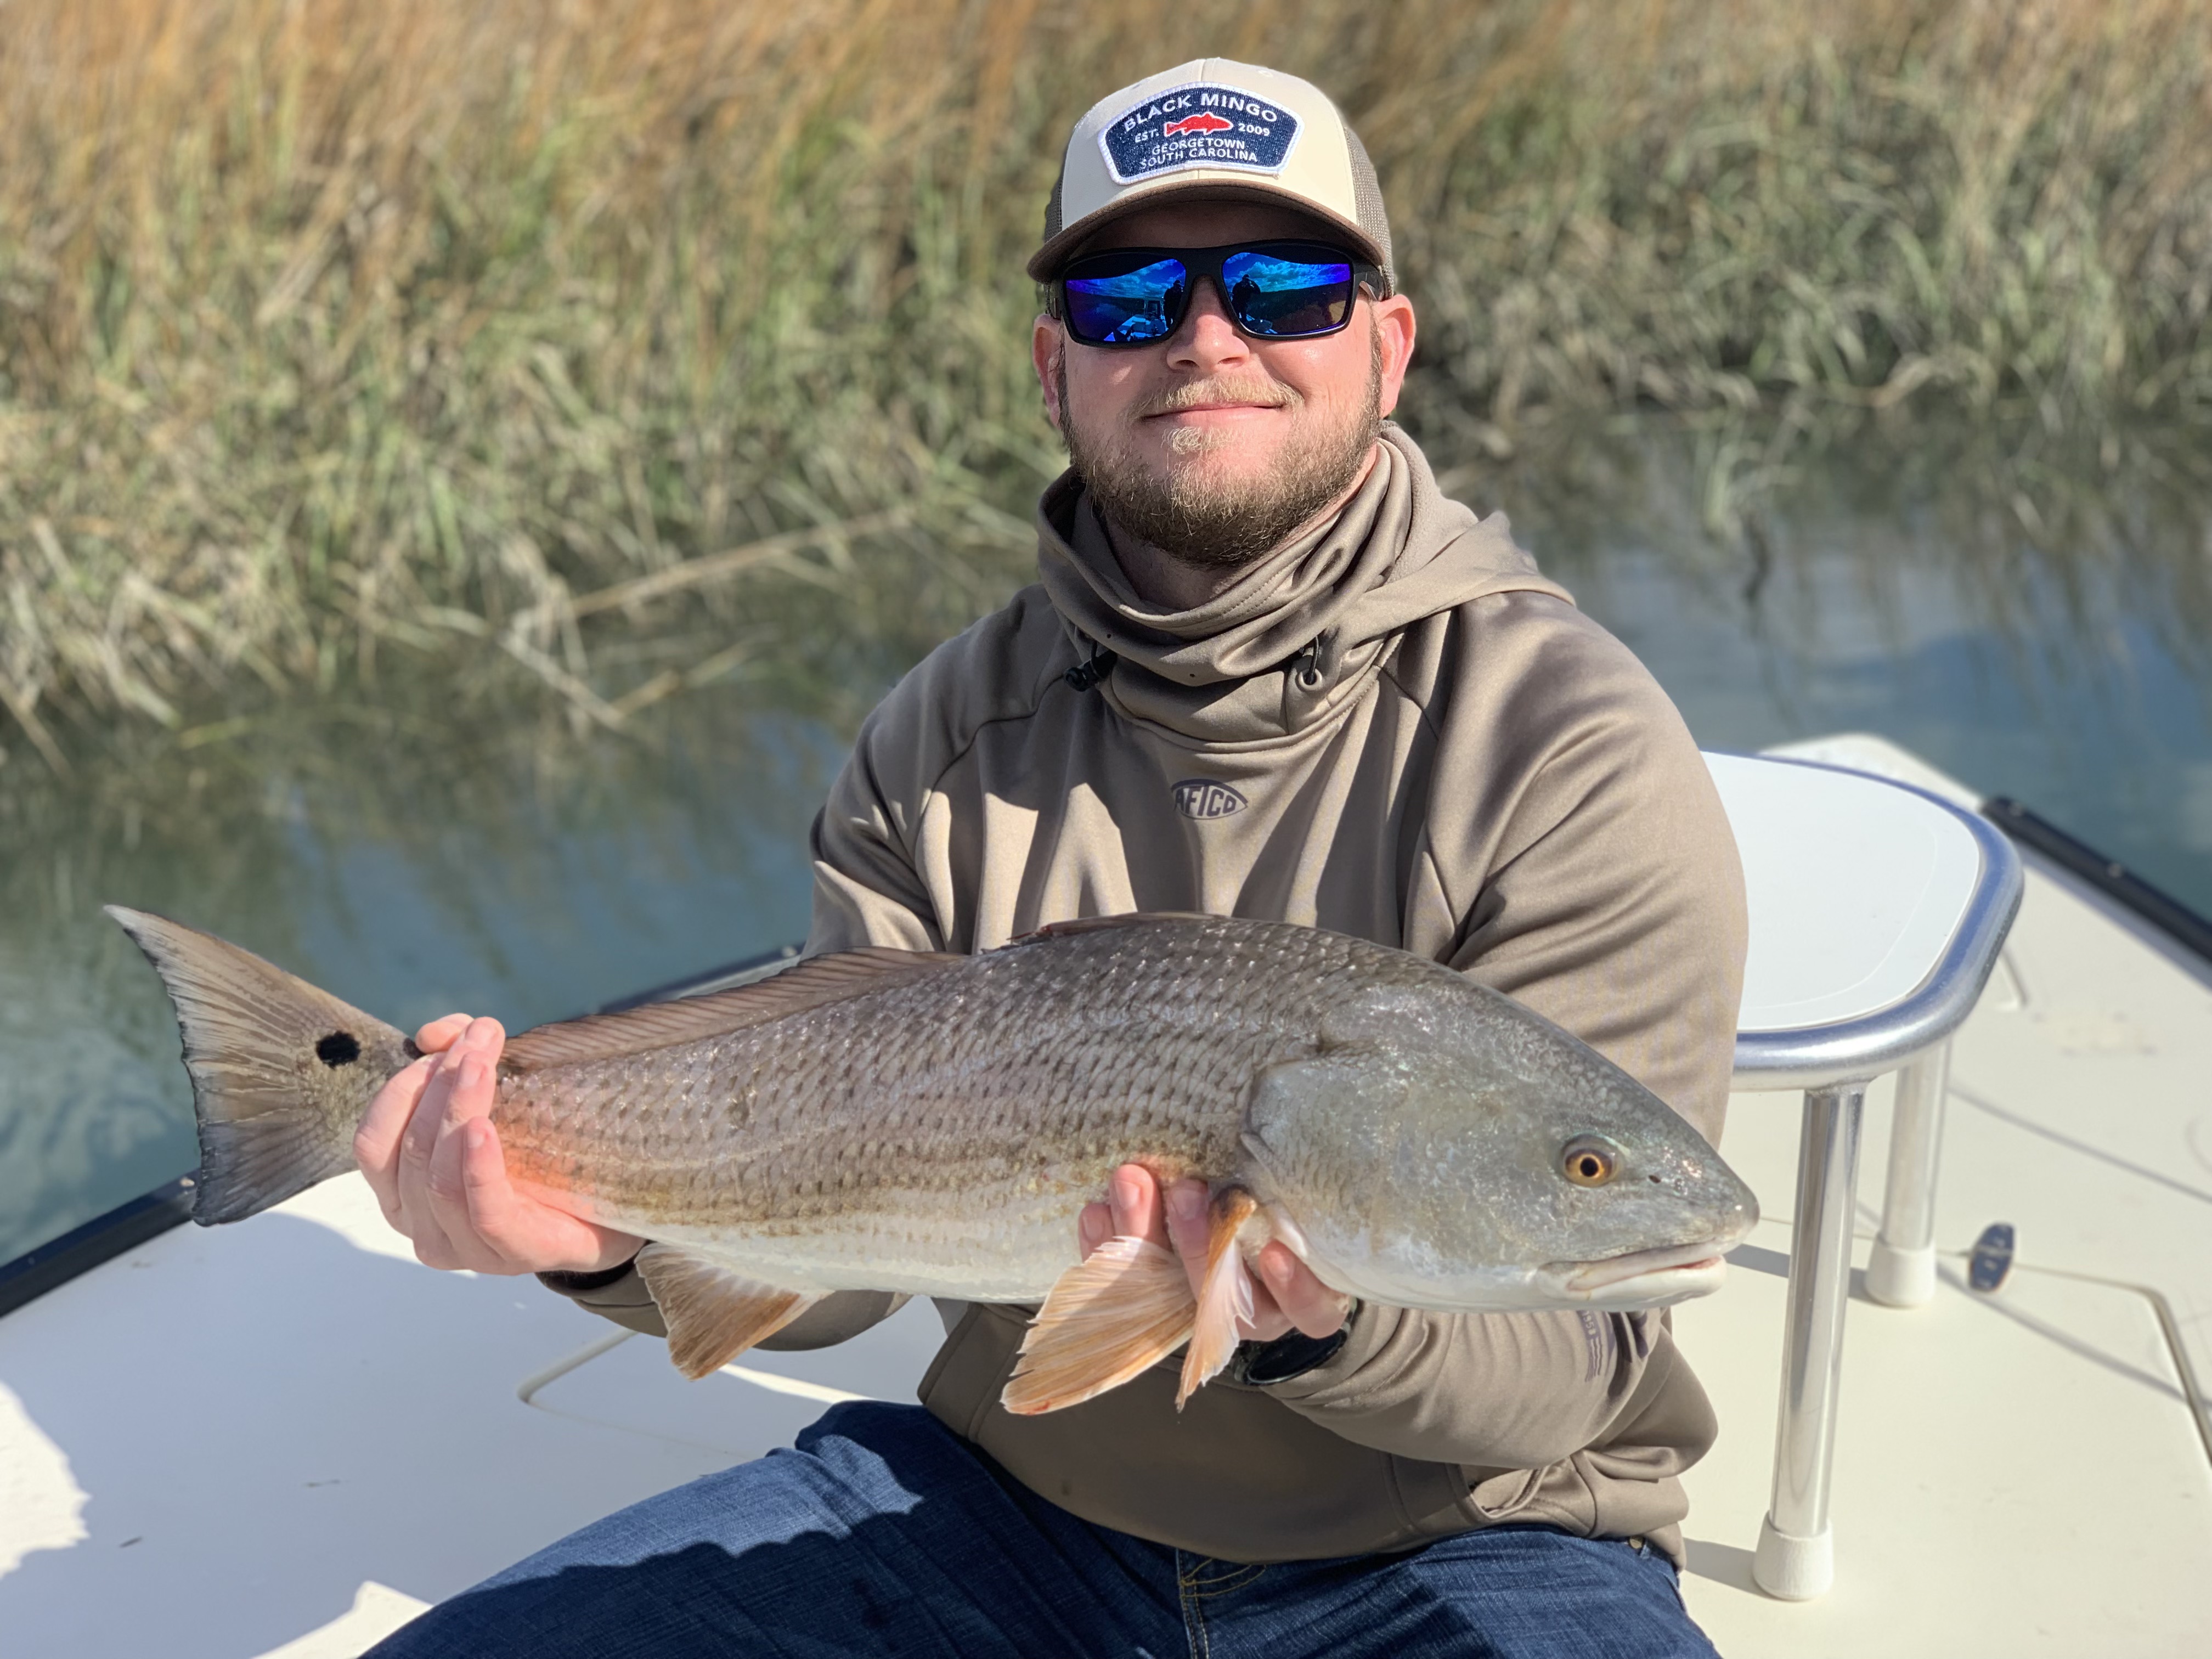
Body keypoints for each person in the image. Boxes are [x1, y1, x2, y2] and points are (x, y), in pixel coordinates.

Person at [360, 59, 1746, 1659]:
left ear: (1391, 345)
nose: (1209, 338)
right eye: (1130, 293)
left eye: (1289, 288)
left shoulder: (1570, 743)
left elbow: (1582, 1370)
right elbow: (843, 1243)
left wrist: (1323, 1327)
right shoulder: (940, 735)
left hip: (1478, 1537)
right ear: (1054, 365)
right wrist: (595, 1239)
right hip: (1010, 1514)